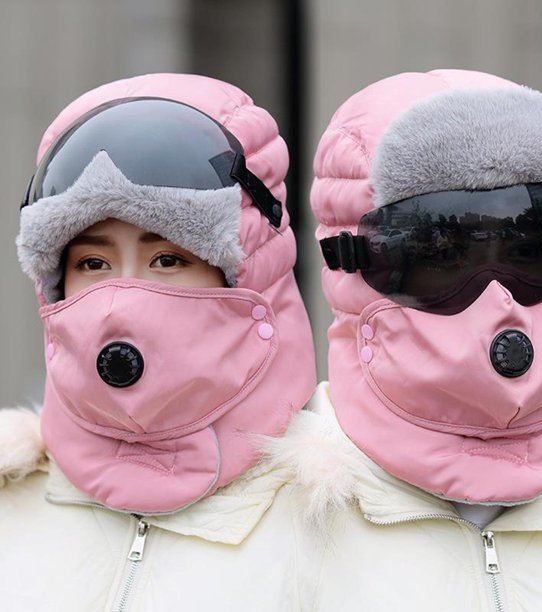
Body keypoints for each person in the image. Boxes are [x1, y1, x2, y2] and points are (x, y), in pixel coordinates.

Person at [267, 69, 542, 610]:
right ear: (351, 262)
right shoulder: (270, 527)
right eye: (442, 257)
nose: (500, 301)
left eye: (527, 252)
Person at [0, 73, 316, 610]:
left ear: (246, 274)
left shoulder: (342, 511)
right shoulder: (12, 506)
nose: (124, 299)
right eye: (93, 263)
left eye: (169, 259)